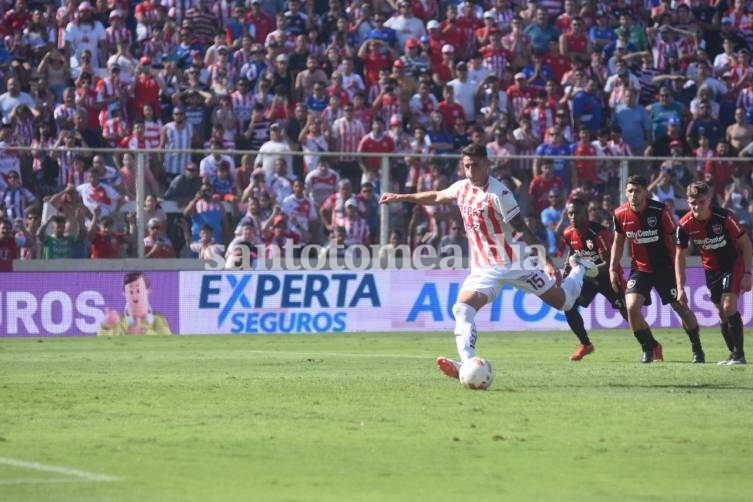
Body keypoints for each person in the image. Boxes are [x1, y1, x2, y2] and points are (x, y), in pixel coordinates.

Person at [379, 144, 598, 380]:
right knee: (462, 309)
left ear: (487, 164)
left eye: (474, 165)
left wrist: (545, 261)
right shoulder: (462, 187)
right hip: (484, 268)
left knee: (564, 303)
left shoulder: (499, 194)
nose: (470, 170)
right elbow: (436, 196)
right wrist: (402, 197)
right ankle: (468, 364)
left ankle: (580, 266)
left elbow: (523, 229)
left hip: (518, 264)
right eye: (466, 166)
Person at [610, 175, 705, 363]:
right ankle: (649, 348)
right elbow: (618, 241)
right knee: (631, 308)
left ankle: (697, 348)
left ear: (646, 192)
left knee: (681, 309)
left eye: (637, 191)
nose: (634, 195)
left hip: (665, 268)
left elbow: (674, 238)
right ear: (625, 193)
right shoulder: (619, 214)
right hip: (640, 269)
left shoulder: (660, 210)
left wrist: (679, 268)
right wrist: (613, 268)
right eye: (630, 191)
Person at [676, 181, 752, 365]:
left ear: (709, 200)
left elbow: (746, 244)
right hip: (711, 270)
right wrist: (680, 287)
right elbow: (679, 255)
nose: (697, 207)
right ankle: (733, 354)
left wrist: (747, 273)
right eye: (693, 203)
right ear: (688, 202)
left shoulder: (724, 217)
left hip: (733, 265)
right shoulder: (685, 224)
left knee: (728, 306)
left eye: (701, 202)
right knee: (721, 313)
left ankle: (739, 355)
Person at [562, 198, 628, 360]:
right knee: (569, 305)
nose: (572, 216)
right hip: (588, 279)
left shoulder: (600, 233)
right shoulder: (568, 233)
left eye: (576, 213)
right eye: (570, 213)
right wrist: (564, 275)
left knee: (628, 312)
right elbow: (572, 253)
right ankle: (585, 344)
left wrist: (587, 269)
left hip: (608, 276)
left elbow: (608, 263)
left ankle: (651, 345)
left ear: (585, 214)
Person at [98, 272, 173, 336]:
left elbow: (169, 343)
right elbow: (102, 346)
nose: (134, 295)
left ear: (148, 290)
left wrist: (144, 332)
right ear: (124, 293)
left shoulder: (157, 319)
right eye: (130, 292)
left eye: (138, 291)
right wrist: (105, 326)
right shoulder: (118, 320)